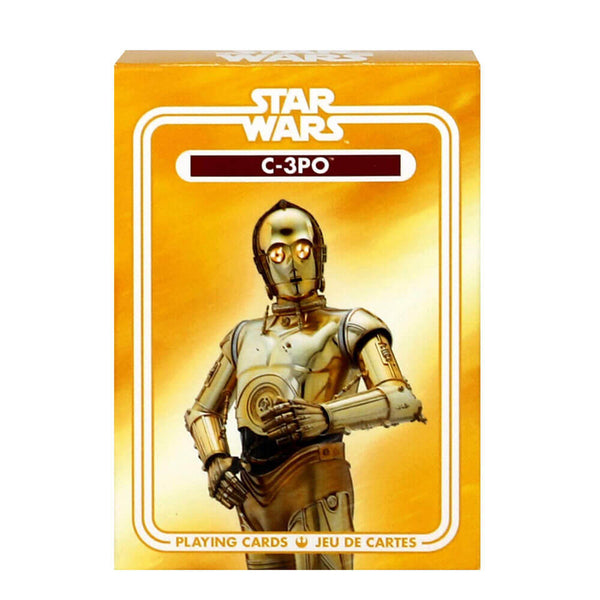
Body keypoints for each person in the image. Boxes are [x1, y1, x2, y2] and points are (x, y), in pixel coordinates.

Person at [185, 199, 425, 569]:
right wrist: (215, 459)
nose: (293, 264)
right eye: (278, 254)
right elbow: (203, 410)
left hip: (316, 480)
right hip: (252, 492)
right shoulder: (242, 336)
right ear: (264, 264)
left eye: (302, 249)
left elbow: (403, 399)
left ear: (318, 253)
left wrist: (326, 416)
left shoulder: (351, 325)